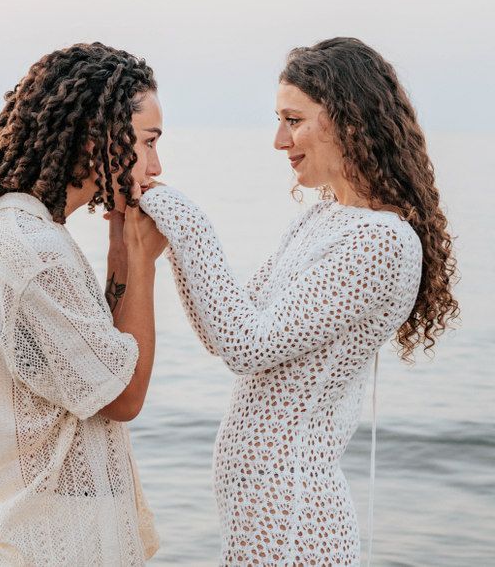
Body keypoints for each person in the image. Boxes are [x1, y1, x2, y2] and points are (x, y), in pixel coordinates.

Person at [137, 38, 459, 565]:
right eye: (278, 119)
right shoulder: (321, 218)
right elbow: (226, 331)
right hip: (263, 518)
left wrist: (176, 209)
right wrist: (166, 241)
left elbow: (246, 345)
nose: (279, 140)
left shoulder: (381, 241)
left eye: (294, 119)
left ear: (349, 119)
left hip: (297, 525)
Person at [0, 42, 167, 566]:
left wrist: (120, 249)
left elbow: (100, 362)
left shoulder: (15, 227)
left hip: (39, 533)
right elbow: (122, 397)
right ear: (99, 137)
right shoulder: (38, 252)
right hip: (56, 544)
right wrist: (143, 263)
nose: (156, 165)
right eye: (148, 142)